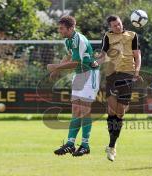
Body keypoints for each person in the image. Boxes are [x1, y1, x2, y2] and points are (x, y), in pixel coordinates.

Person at [47, 15, 100, 157]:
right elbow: (69, 56)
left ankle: (85, 145)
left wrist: (56, 66)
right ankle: (70, 144)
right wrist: (57, 70)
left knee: (84, 110)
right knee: (75, 109)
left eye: (62, 28)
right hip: (79, 75)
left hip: (90, 74)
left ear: (71, 28)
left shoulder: (78, 39)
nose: (60, 30)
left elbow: (76, 62)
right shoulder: (68, 40)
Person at [95, 15, 141, 161]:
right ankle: (111, 146)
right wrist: (96, 62)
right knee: (111, 110)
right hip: (112, 75)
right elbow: (103, 56)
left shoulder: (132, 35)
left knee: (120, 113)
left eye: (119, 24)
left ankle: (112, 145)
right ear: (110, 27)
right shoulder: (107, 37)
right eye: (115, 25)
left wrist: (137, 71)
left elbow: (137, 55)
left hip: (127, 75)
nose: (118, 27)